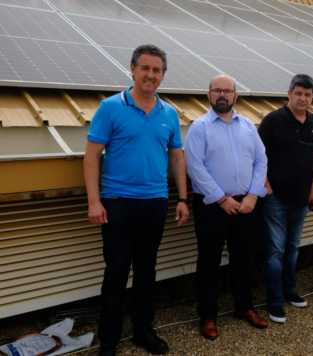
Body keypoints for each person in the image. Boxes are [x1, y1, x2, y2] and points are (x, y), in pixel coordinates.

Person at [84, 44, 189, 356]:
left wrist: (183, 198)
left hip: (154, 203)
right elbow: (91, 158)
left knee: (147, 271)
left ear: (163, 75)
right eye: (145, 68)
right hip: (117, 203)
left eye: (157, 70)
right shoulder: (110, 108)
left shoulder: (168, 113)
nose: (151, 75)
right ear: (132, 70)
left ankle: (144, 332)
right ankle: (109, 340)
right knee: (116, 272)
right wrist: (94, 201)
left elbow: (177, 158)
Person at [184, 74, 269, 340]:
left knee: (244, 258)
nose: (222, 94)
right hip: (212, 206)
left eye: (227, 90)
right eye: (217, 90)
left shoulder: (248, 126)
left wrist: (253, 195)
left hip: (245, 204)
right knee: (209, 262)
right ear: (209, 94)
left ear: (235, 95)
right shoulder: (199, 127)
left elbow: (261, 160)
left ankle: (244, 307)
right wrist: (221, 198)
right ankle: (208, 316)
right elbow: (194, 167)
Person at [258, 74, 313, 324]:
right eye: (298, 93)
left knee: (293, 248)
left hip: (301, 198)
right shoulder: (273, 121)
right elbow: (258, 156)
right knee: (275, 251)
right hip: (276, 199)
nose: (303, 98)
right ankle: (274, 302)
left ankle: (290, 291)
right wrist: (265, 184)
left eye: (307, 94)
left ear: (311, 97)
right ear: (289, 94)